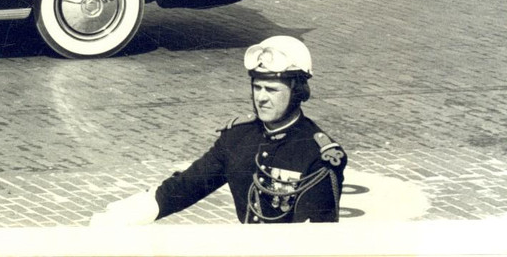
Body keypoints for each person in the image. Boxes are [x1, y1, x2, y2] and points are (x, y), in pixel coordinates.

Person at [91, 36, 346, 225]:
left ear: (298, 92)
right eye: (258, 88)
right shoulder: (238, 137)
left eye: (272, 90)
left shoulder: (316, 154)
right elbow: (188, 186)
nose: (262, 98)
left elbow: (315, 239)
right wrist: (124, 216)